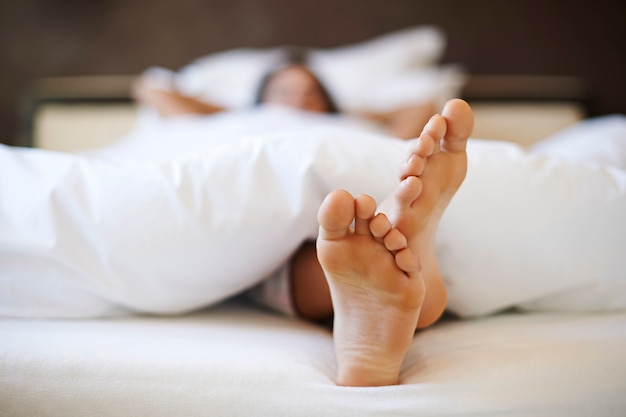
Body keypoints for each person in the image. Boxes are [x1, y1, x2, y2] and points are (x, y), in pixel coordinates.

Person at [134, 57, 473, 387]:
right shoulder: (242, 122)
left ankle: (387, 280)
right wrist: (245, 113)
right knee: (315, 253)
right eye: (284, 91)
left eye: (312, 93)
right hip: (264, 239)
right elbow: (151, 88)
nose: (298, 98)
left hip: (328, 237)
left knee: (341, 250)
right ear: (261, 100)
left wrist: (343, 113)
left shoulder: (344, 124)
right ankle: (404, 276)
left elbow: (420, 104)